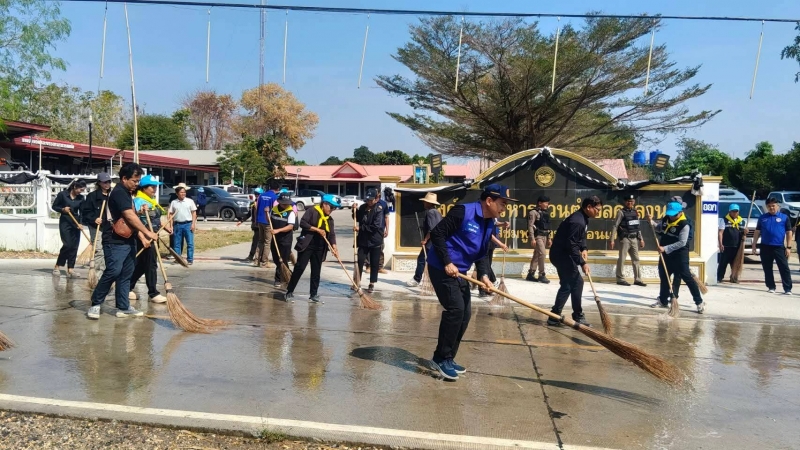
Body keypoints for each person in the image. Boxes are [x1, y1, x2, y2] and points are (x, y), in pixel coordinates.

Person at [426, 184, 515, 380]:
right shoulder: (463, 212)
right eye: (502, 204)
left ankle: (448, 358)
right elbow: (437, 234)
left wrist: (484, 275)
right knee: (455, 309)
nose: (504, 209)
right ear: (489, 201)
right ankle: (440, 359)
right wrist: (447, 262)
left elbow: (481, 253)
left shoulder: (490, 222)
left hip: (461, 271)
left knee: (465, 314)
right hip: (441, 267)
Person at [87, 163, 159, 319]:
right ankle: (96, 303)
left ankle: (123, 306)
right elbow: (129, 216)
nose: (137, 184)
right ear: (124, 178)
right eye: (134, 180)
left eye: (138, 181)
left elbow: (128, 215)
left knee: (126, 273)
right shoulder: (119, 192)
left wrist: (139, 212)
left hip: (129, 239)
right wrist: (147, 232)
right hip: (114, 240)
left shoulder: (127, 193)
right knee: (113, 271)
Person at [546, 196, 602, 327]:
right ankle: (566, 315)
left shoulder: (583, 218)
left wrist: (584, 248)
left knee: (572, 283)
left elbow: (580, 237)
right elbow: (571, 245)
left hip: (563, 254)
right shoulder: (578, 221)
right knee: (573, 283)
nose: (599, 212)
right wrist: (582, 262)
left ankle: (560, 316)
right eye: (597, 209)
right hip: (561, 255)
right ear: (589, 207)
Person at [647, 201, 706, 313]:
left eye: (674, 214)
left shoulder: (685, 224)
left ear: (680, 212)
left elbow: (682, 242)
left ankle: (699, 302)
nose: (671, 217)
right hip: (665, 254)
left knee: (687, 277)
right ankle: (663, 300)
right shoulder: (666, 219)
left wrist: (665, 248)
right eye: (670, 214)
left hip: (679, 255)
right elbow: (660, 228)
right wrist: (651, 222)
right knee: (664, 276)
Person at [284, 195, 340, 303]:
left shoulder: (329, 220)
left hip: (320, 247)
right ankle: (289, 291)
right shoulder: (312, 211)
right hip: (307, 245)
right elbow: (303, 223)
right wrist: (317, 230)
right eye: (332, 207)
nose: (332, 210)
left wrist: (334, 247)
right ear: (325, 204)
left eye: (334, 208)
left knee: (316, 271)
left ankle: (313, 294)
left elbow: (331, 234)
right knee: (300, 268)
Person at [130, 175, 169, 303]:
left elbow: (155, 218)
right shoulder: (138, 201)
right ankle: (153, 293)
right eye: (152, 187)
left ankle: (127, 287)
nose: (155, 189)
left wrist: (165, 227)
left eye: (156, 186)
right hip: (144, 237)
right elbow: (134, 222)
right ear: (144, 188)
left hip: (153, 236)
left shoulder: (151, 200)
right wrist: (143, 239)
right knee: (151, 265)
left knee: (142, 265)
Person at [752, 197, 793, 295]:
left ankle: (787, 288)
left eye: (773, 206)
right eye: (769, 206)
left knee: (784, 267)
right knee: (767, 268)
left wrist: (788, 247)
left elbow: (789, 232)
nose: (771, 208)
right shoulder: (762, 218)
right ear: (766, 207)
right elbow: (757, 231)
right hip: (765, 246)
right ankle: (771, 286)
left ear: (778, 206)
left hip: (779, 247)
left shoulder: (784, 217)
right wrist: (754, 244)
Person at [52, 179, 87, 278]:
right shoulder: (62, 195)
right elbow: (54, 206)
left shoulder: (81, 198)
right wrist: (63, 209)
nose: (81, 192)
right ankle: (57, 266)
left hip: (75, 223)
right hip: (65, 221)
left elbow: (82, 212)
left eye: (82, 190)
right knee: (67, 244)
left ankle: (70, 269)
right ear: (74, 187)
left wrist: (80, 223)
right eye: (80, 189)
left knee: (74, 246)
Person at [406, 192, 443, 287]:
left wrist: (425, 240)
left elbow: (432, 229)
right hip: (438, 241)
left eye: (425, 202)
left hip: (431, 242)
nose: (424, 203)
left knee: (421, 260)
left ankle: (416, 279)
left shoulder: (430, 213)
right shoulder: (437, 212)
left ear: (429, 203)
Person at [610, 194, 646, 287]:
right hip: (625, 239)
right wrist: (612, 239)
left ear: (634, 202)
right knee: (622, 259)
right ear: (625, 202)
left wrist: (641, 239)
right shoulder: (621, 212)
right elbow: (615, 226)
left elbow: (637, 227)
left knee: (636, 259)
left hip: (634, 239)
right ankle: (620, 279)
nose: (630, 203)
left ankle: (638, 279)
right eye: (628, 201)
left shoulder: (635, 212)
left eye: (632, 201)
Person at [80, 173, 112, 277]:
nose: (107, 184)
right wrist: (94, 219)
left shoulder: (113, 195)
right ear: (99, 183)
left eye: (109, 182)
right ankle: (98, 274)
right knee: (98, 249)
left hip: (110, 226)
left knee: (109, 249)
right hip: (96, 227)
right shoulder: (92, 196)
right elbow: (86, 212)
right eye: (105, 182)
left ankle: (107, 272)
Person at [355, 188, 385, 293]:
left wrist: (361, 228)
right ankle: (357, 281)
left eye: (371, 200)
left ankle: (372, 283)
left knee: (374, 263)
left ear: (376, 199)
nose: (369, 202)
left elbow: (375, 226)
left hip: (375, 239)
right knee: (360, 260)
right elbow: (358, 218)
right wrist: (354, 210)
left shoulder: (379, 209)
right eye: (367, 200)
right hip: (363, 240)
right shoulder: (363, 207)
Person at [269, 192, 297, 288]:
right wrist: (266, 213)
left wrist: (278, 230)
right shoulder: (273, 210)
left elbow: (290, 226)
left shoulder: (290, 212)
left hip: (285, 239)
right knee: (276, 259)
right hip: (275, 239)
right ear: (279, 202)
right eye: (284, 203)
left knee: (283, 259)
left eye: (287, 203)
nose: (286, 205)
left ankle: (278, 279)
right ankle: (289, 275)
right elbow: (269, 220)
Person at [168, 185, 197, 265]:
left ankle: (190, 259)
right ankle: (178, 259)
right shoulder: (174, 202)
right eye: (181, 192)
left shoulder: (190, 201)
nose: (183, 194)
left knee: (190, 243)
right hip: (177, 225)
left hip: (188, 224)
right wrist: (171, 226)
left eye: (184, 192)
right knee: (177, 243)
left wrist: (193, 224)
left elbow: (194, 213)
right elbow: (171, 214)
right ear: (177, 193)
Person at [526, 195, 552, 283]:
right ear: (540, 203)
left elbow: (547, 226)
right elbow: (530, 226)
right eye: (546, 203)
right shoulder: (533, 212)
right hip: (537, 236)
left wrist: (549, 238)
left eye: (548, 203)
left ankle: (531, 273)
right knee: (543, 253)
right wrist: (532, 238)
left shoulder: (545, 213)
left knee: (537, 255)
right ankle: (541, 274)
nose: (547, 205)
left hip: (544, 236)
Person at [255, 181, 280, 268]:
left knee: (260, 241)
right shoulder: (275, 197)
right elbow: (276, 211)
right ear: (277, 189)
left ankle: (256, 260)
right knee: (267, 242)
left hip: (260, 221)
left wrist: (256, 220)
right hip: (268, 222)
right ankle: (264, 262)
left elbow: (257, 207)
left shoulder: (261, 196)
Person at [365, 188, 390, 274]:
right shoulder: (368, 203)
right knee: (368, 248)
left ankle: (380, 267)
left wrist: (387, 229)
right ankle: (368, 266)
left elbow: (386, 217)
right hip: (369, 229)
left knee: (380, 248)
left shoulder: (383, 204)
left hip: (379, 231)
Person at [717, 203, 743, 283]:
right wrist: (720, 244)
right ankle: (719, 277)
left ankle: (734, 278)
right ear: (729, 212)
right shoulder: (724, 220)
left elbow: (742, 233)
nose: (735, 213)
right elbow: (720, 232)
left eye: (736, 211)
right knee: (723, 263)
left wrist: (745, 232)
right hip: (726, 246)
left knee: (736, 263)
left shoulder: (741, 221)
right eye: (733, 211)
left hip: (737, 246)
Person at [238, 187, 263, 261]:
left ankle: (259, 257)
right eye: (255, 194)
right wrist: (242, 220)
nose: (257, 195)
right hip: (255, 225)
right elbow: (249, 213)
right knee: (255, 241)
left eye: (258, 194)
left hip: (261, 225)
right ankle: (251, 256)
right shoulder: (252, 203)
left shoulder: (263, 203)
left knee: (261, 242)